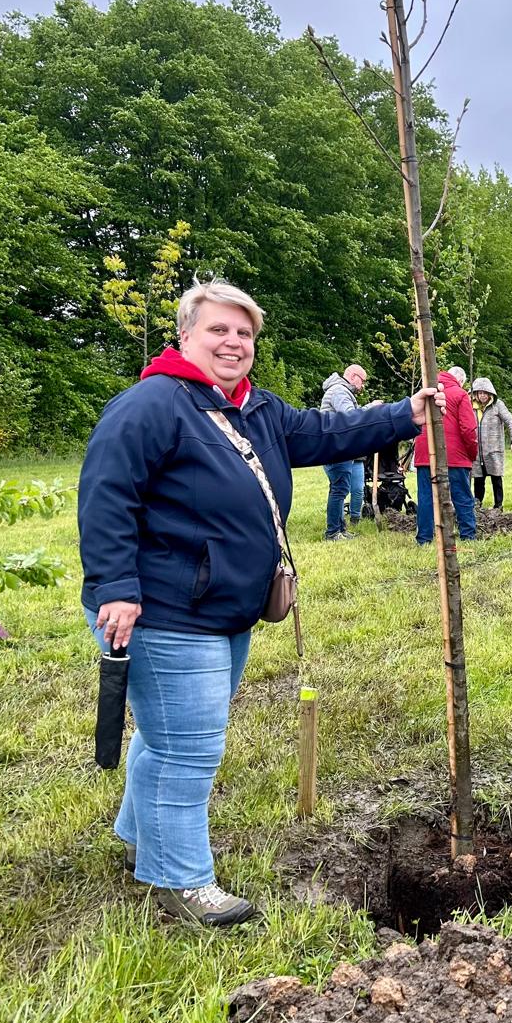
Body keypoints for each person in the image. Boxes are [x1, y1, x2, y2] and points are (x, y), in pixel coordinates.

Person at [78, 280, 443, 928]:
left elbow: (328, 432)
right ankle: (181, 881)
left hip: (225, 609)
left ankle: (141, 836)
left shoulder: (257, 409)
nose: (233, 343)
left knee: (169, 735)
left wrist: (404, 414)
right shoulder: (153, 405)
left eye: (244, 333)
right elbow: (107, 495)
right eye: (218, 329)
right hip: (164, 609)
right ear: (186, 335)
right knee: (187, 749)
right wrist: (116, 589)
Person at [414, 365, 478, 544]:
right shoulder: (460, 394)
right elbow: (468, 428)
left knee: (426, 496)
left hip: (425, 452)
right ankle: (468, 535)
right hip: (454, 455)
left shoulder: (427, 391)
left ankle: (424, 538)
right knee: (462, 495)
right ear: (461, 381)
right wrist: (471, 454)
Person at [320, 363, 369, 540]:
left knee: (339, 488)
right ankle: (333, 532)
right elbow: (351, 417)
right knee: (339, 490)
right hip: (336, 448)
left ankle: (340, 529)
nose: (362, 386)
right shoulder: (340, 391)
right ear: (354, 376)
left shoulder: (340, 390)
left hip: (337, 448)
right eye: (362, 381)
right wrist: (370, 408)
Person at [471, 377, 512, 509]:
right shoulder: (471, 407)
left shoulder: (498, 405)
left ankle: (498, 506)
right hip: (476, 451)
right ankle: (477, 505)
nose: (483, 396)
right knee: (478, 480)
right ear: (476, 394)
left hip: (494, 450)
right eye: (480, 393)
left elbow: (510, 421)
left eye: (485, 393)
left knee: (496, 479)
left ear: (490, 393)